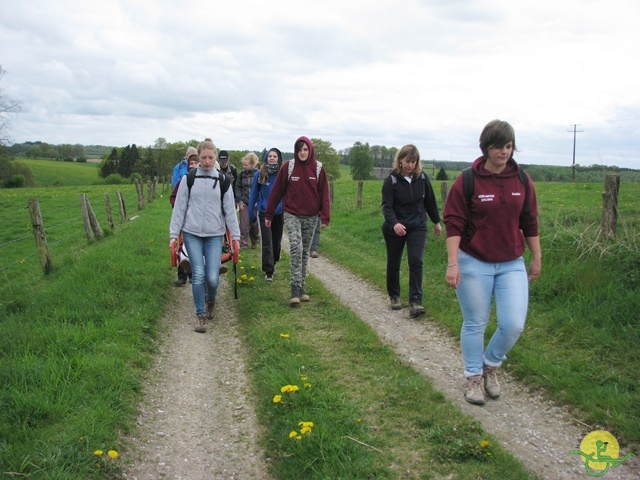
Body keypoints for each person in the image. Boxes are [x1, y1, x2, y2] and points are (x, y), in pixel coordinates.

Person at [443, 119, 541, 406]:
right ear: (486, 147)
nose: (504, 151)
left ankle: (490, 366)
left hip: (512, 262)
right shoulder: (468, 180)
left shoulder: (522, 179)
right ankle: (474, 377)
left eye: (509, 146)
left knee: (513, 324)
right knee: (476, 322)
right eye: (498, 146)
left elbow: (530, 220)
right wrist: (453, 263)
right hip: (473, 260)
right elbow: (453, 223)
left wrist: (536, 257)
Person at [170, 138, 240, 333]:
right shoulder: (188, 179)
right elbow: (179, 208)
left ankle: (211, 301)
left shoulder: (223, 181)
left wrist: (235, 237)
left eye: (211, 157)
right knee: (198, 274)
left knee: (212, 277)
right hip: (192, 233)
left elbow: (229, 211)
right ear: (198, 157)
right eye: (204, 157)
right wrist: (174, 235)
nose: (207, 161)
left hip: (214, 234)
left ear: (215, 157)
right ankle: (200, 315)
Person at [265, 136, 330, 306]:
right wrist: (269, 214)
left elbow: (324, 193)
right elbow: (276, 192)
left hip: (311, 216)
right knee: (296, 247)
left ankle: (301, 287)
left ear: (310, 150)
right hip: (292, 214)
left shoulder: (318, 168)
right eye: (300, 149)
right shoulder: (289, 167)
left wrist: (325, 215)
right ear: (296, 150)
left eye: (305, 149)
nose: (302, 152)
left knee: (304, 252)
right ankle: (294, 288)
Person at [381, 144, 442, 318]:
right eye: (407, 161)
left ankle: (416, 301)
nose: (410, 165)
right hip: (396, 227)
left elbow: (430, 201)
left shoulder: (422, 178)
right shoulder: (391, 180)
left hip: (418, 225)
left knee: (416, 261)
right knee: (394, 261)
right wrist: (394, 224)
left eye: (413, 162)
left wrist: (436, 221)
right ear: (400, 160)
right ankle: (394, 296)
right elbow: (387, 207)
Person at [248, 148, 284, 282]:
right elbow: (253, 195)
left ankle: (273, 260)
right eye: (270, 156)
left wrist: (283, 207)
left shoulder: (282, 174)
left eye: (275, 156)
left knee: (276, 241)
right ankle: (268, 270)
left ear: (278, 159)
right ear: (266, 158)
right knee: (267, 242)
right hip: (264, 211)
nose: (272, 158)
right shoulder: (260, 174)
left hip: (279, 212)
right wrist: (251, 213)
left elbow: (286, 194)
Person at [170, 153, 200, 286]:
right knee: (181, 245)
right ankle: (182, 276)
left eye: (195, 163)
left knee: (194, 247)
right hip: (184, 218)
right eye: (191, 163)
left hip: (196, 219)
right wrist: (177, 206)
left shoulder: (202, 181)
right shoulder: (183, 180)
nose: (193, 165)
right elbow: (173, 197)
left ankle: (194, 274)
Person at [235, 152, 261, 249]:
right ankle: (244, 243)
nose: (244, 166)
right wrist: (240, 201)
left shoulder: (258, 174)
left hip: (255, 203)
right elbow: (237, 188)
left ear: (252, 164)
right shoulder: (241, 175)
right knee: (244, 224)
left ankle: (254, 241)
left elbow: (261, 188)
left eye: (246, 165)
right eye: (243, 164)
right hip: (244, 203)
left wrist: (258, 201)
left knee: (254, 225)